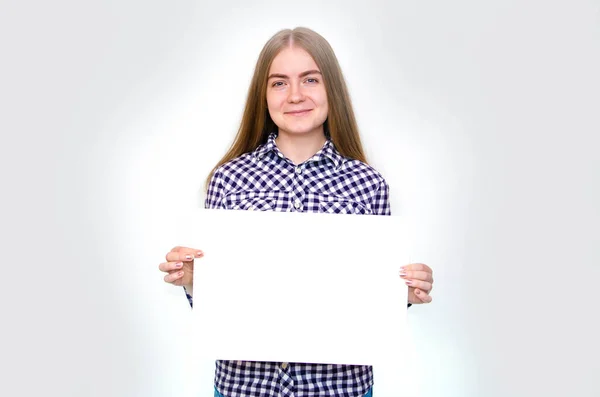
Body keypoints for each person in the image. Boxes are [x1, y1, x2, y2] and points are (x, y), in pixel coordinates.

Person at [158, 27, 434, 397]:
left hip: (339, 387)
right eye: (279, 83)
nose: (296, 95)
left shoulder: (368, 184)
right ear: (264, 95)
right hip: (246, 386)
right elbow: (219, 308)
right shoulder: (228, 179)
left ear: (330, 88)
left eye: (310, 79)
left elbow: (369, 304)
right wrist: (194, 280)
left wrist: (404, 293)